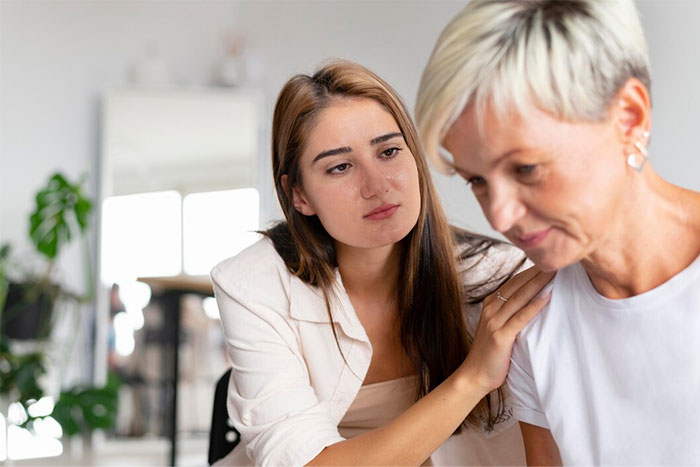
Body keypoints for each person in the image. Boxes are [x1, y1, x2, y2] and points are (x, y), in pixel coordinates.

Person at [211, 60, 554, 465]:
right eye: (340, 166)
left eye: (389, 151)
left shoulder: (497, 276)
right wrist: (474, 377)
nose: (377, 186)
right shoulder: (254, 285)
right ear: (298, 194)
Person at [416, 0, 700, 465]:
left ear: (629, 118)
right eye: (478, 181)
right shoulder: (533, 324)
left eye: (526, 168)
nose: (500, 217)